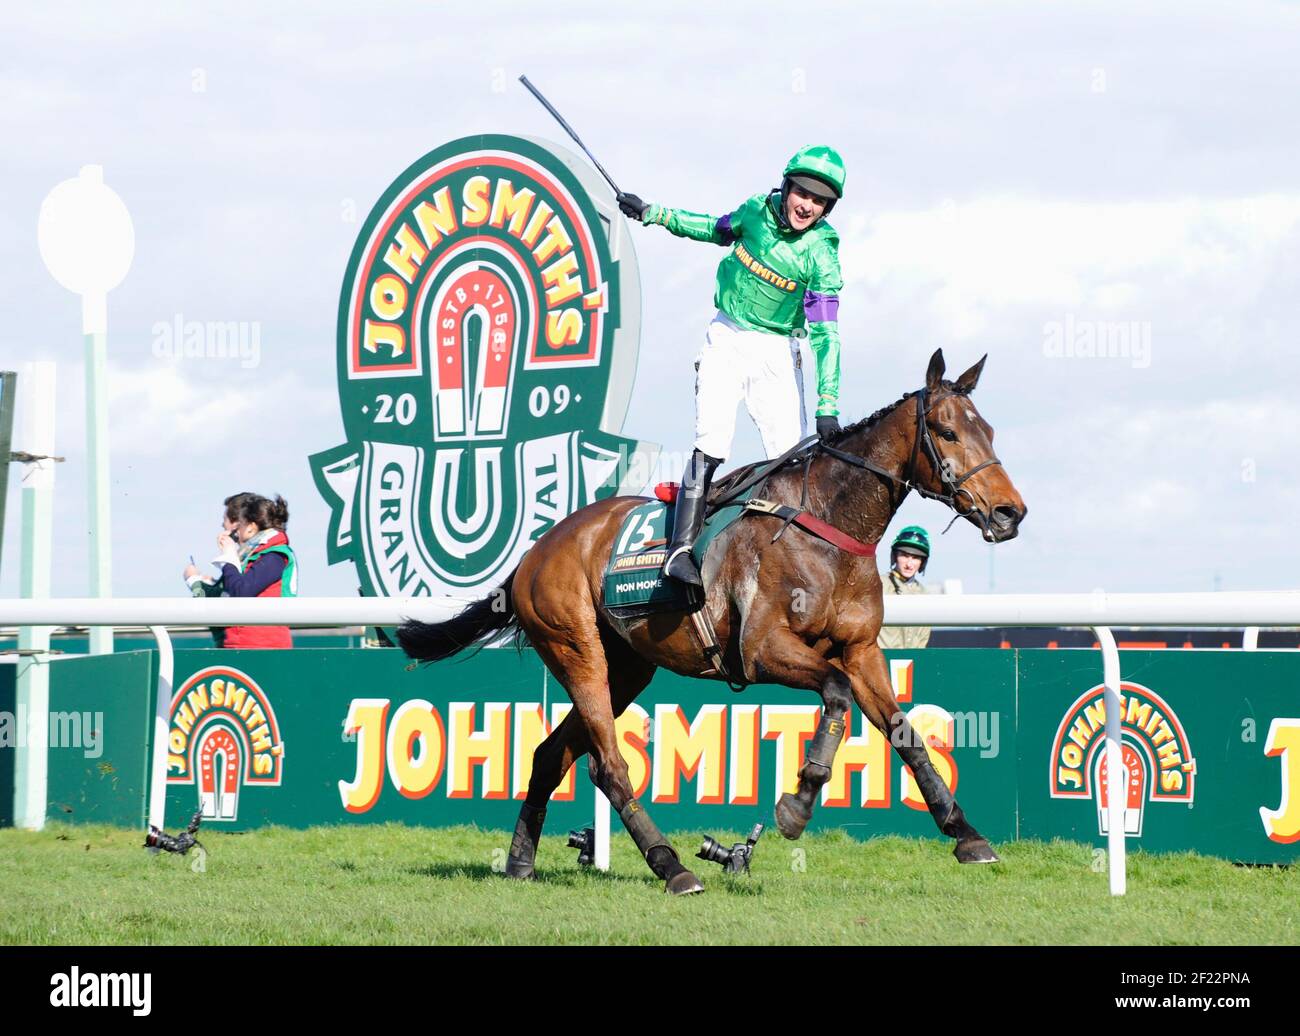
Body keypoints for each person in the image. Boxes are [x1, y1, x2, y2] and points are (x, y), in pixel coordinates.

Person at [617, 145, 847, 586]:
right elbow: (712, 228)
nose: (807, 206)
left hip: (778, 351)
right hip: (726, 336)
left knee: (791, 459)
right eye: (803, 194)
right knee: (712, 442)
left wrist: (828, 402)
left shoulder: (822, 254)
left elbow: (826, 333)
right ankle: (679, 551)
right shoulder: (753, 213)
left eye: (819, 202)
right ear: (786, 187)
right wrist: (652, 212)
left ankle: (795, 560)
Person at [183, 492, 298, 649]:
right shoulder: (252, 556)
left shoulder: (275, 555)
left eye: (240, 526)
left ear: (250, 527)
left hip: (261, 647)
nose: (235, 532)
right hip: (241, 644)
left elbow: (241, 592)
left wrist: (228, 556)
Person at [877, 526, 932, 650]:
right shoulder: (878, 584)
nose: (909, 564)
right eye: (904, 555)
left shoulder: (925, 594)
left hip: (914, 662)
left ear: (922, 562)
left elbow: (923, 636)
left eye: (916, 557)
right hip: (881, 661)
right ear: (895, 556)